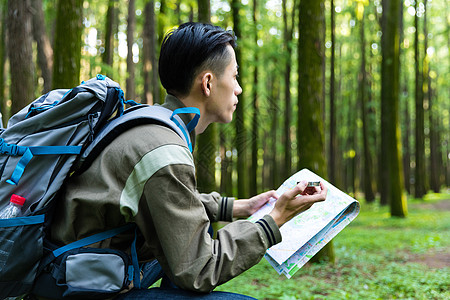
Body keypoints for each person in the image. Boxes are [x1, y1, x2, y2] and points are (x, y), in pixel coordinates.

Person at [46, 22, 328, 299]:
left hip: (74, 269)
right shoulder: (164, 150)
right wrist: (276, 218)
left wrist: (239, 207)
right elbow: (201, 269)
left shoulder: (151, 124)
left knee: (200, 227)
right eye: (234, 76)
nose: (239, 89)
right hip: (81, 288)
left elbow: (170, 203)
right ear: (208, 83)